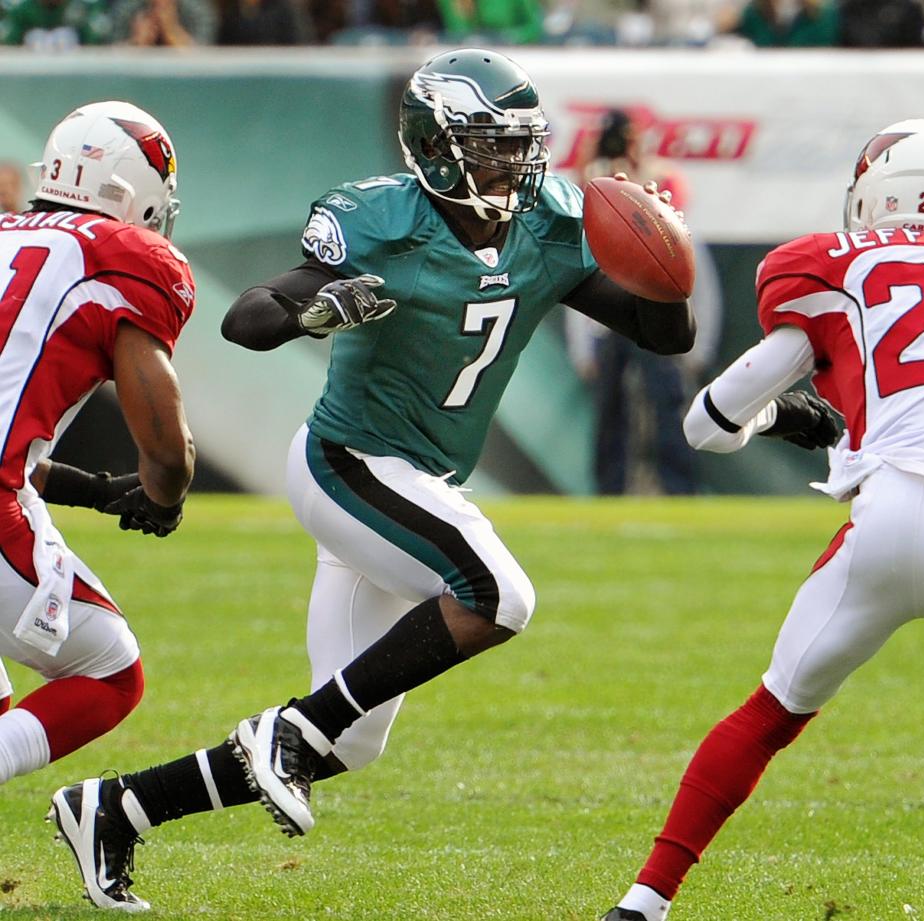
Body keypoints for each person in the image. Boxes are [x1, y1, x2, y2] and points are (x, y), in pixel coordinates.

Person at [48, 48, 695, 912]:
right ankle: (288, 733)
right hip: (347, 464)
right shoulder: (383, 218)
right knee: (499, 592)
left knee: (349, 742)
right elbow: (248, 319)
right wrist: (317, 306)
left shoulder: (549, 219)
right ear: (437, 146)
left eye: (520, 144)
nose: (516, 164)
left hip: (412, 483)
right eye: (493, 145)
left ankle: (118, 807)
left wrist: (666, 260)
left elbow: (664, 335)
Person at [602, 118, 924, 920]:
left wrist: (771, 418)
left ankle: (643, 901)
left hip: (887, 520)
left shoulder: (836, 266)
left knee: (769, 714)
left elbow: (704, 424)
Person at [0, 97, 195, 881]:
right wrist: (162, 492)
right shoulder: (120, 257)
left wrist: (96, 489)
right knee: (110, 669)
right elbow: (168, 448)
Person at [566, 109, 707, 495]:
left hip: (654, 301)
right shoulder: (590, 183)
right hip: (608, 310)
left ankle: (679, 487)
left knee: (667, 402)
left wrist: (638, 176)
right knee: (611, 408)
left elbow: (674, 230)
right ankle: (610, 488)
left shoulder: (660, 175)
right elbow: (578, 252)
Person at [0, 0, 113, 48]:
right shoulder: (18, 7)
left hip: (79, 79)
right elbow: (7, 45)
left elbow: (100, 45)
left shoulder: (85, 6)